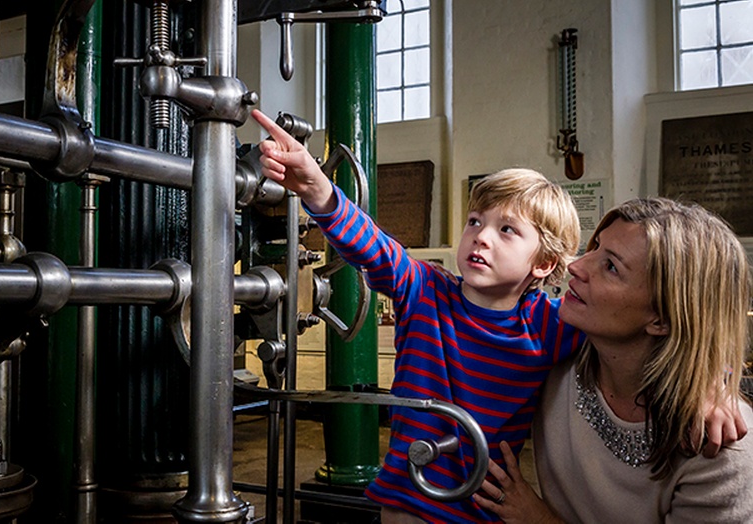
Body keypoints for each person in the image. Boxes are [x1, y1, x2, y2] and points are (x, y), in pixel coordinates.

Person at [252, 108, 584, 522]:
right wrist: (319, 191)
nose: (480, 236)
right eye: (475, 221)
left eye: (507, 230)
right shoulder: (427, 290)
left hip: (487, 507)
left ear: (545, 263)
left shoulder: (552, 325)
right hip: (409, 501)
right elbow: (377, 249)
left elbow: (625, 334)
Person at [475, 197, 753, 523]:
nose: (576, 266)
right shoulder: (554, 352)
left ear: (662, 319)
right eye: (594, 249)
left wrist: (538, 519)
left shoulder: (721, 449)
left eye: (610, 266)